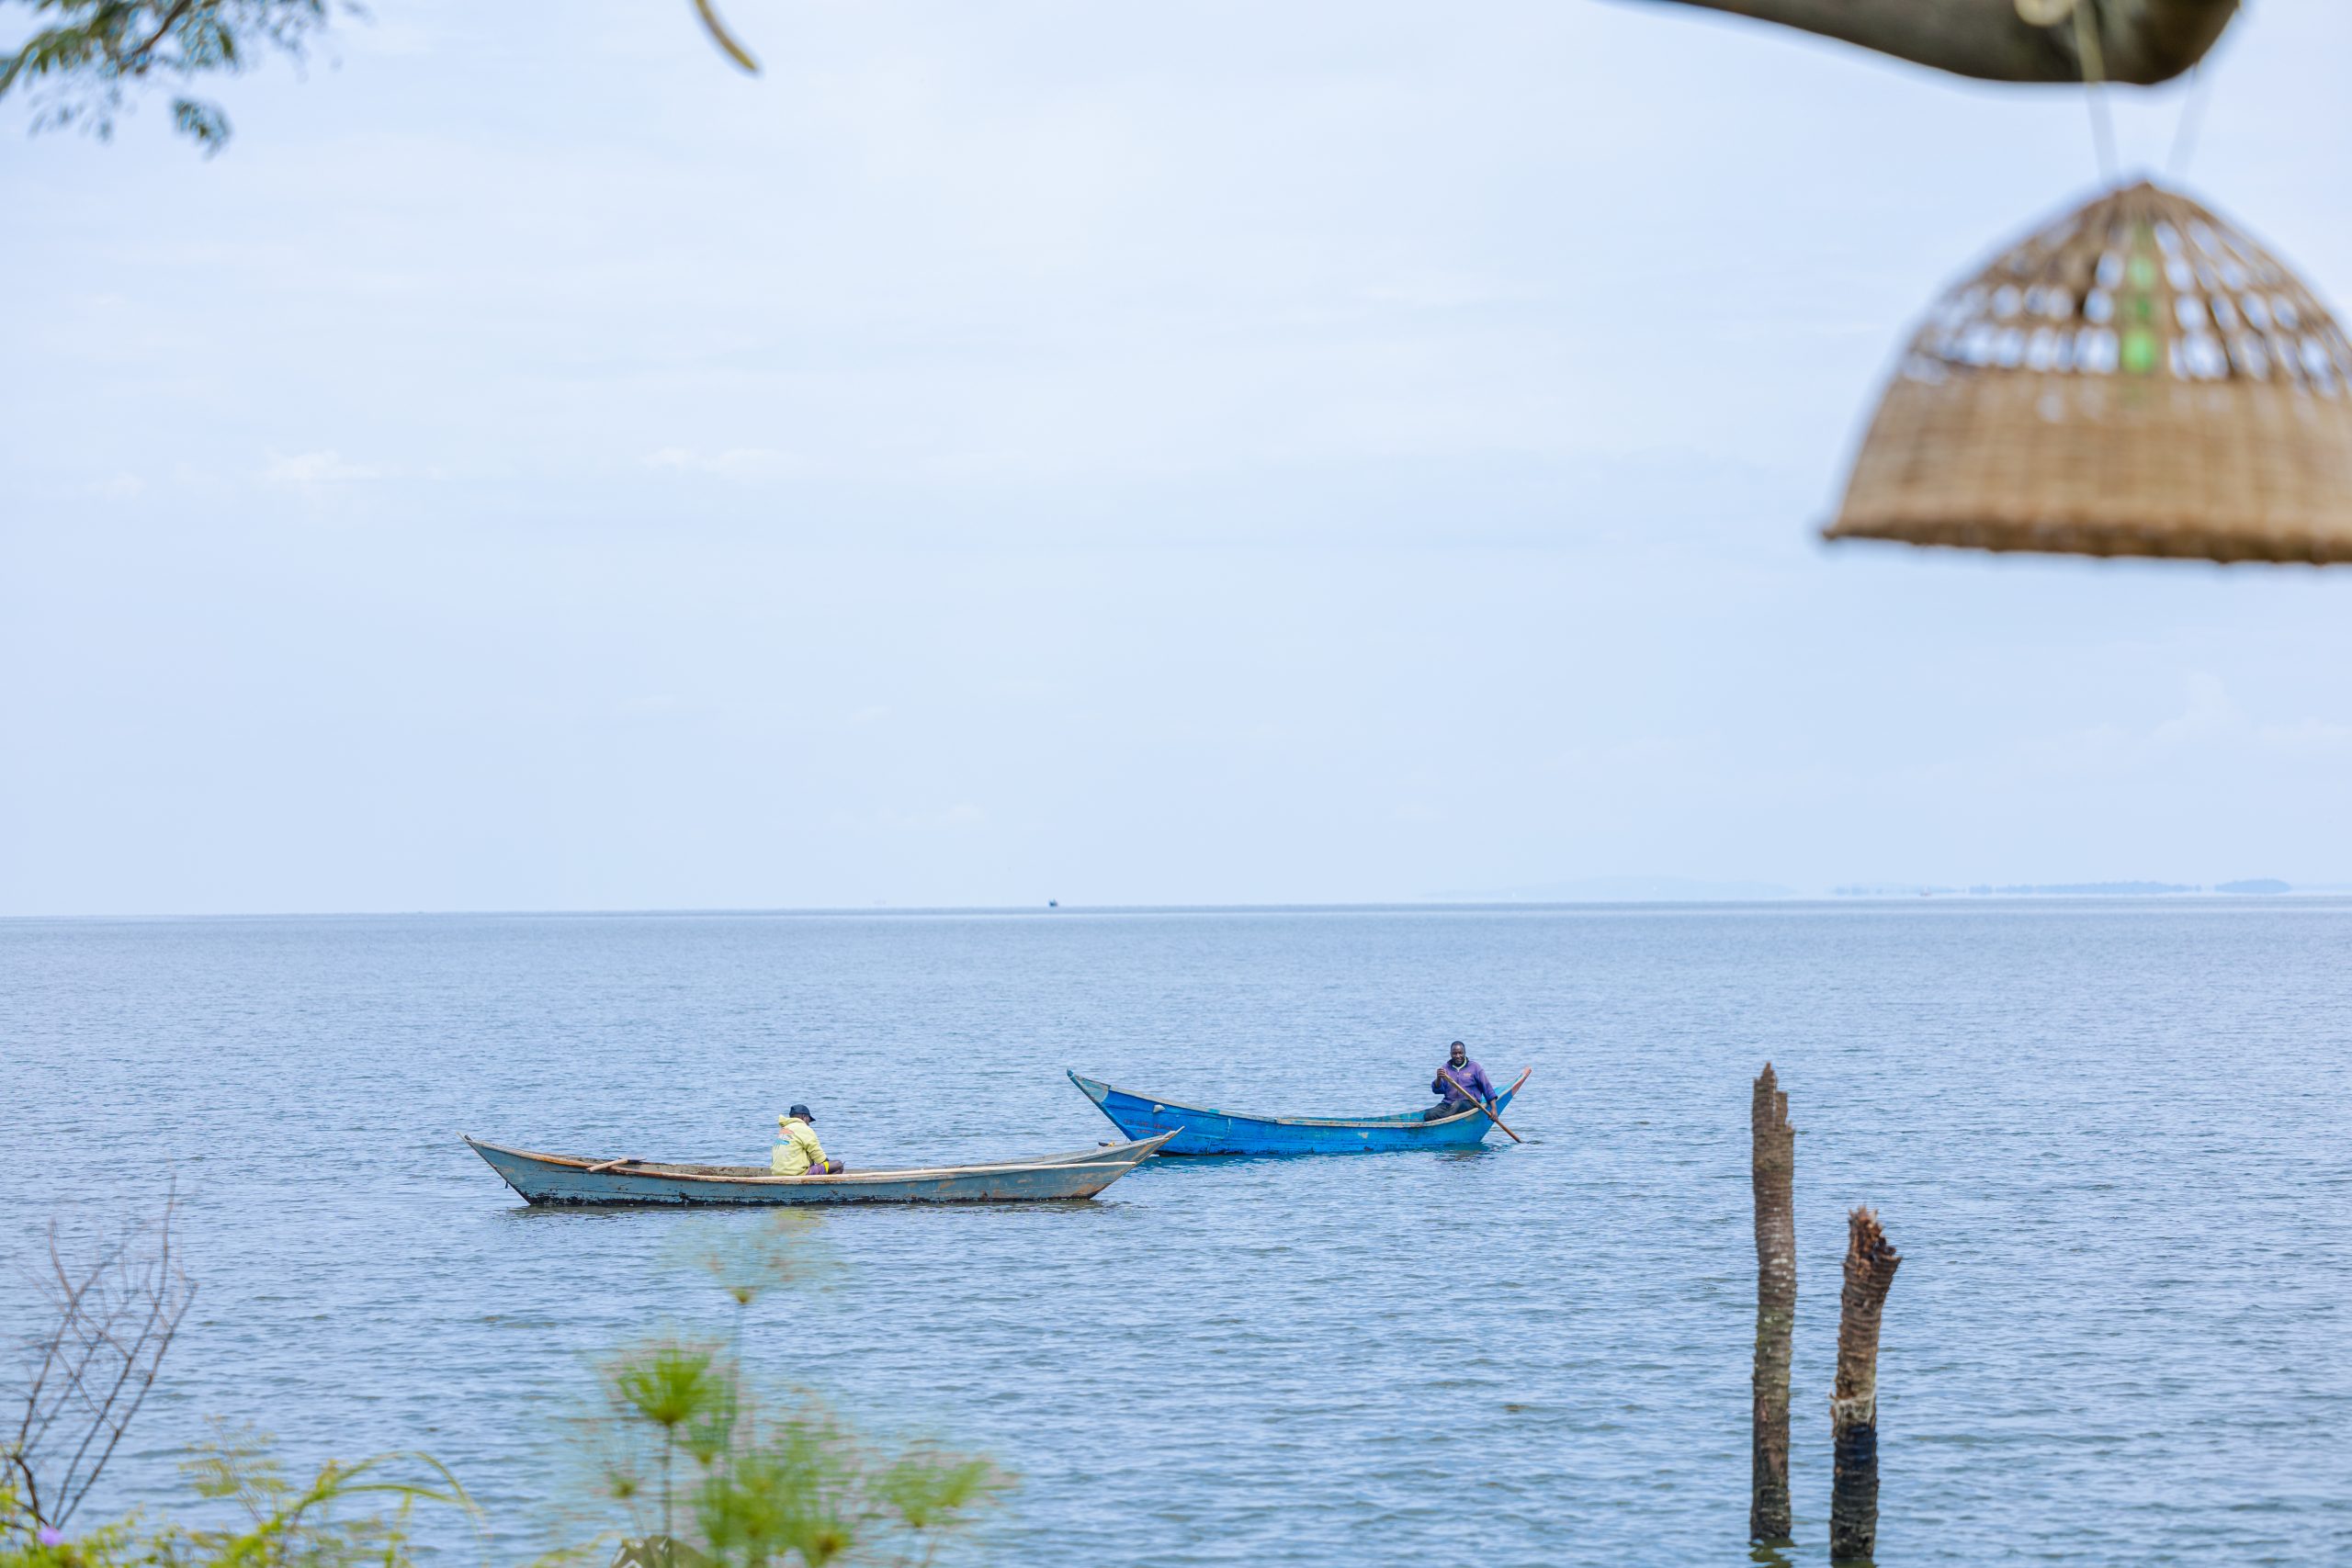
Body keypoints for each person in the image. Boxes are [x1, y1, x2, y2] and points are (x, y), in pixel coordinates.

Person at [1425, 1041, 1497, 1122]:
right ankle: (1443, 1120)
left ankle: (1443, 1119)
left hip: (1469, 1103)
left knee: (1458, 1104)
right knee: (1428, 1115)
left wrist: (1494, 1108)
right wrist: (1438, 1078)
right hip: (1448, 1104)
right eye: (1454, 1053)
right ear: (1450, 1054)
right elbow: (1437, 1090)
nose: (1458, 1056)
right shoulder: (1445, 1068)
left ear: (1465, 1053)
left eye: (1460, 1053)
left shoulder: (1475, 1067)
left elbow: (1487, 1089)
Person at [773, 1104, 843, 1175]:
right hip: (796, 1174)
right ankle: (824, 1185)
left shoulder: (783, 1130)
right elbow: (819, 1158)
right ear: (804, 1117)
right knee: (838, 1165)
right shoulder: (804, 1129)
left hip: (777, 1174)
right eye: (809, 1121)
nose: (808, 1124)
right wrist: (829, 1167)